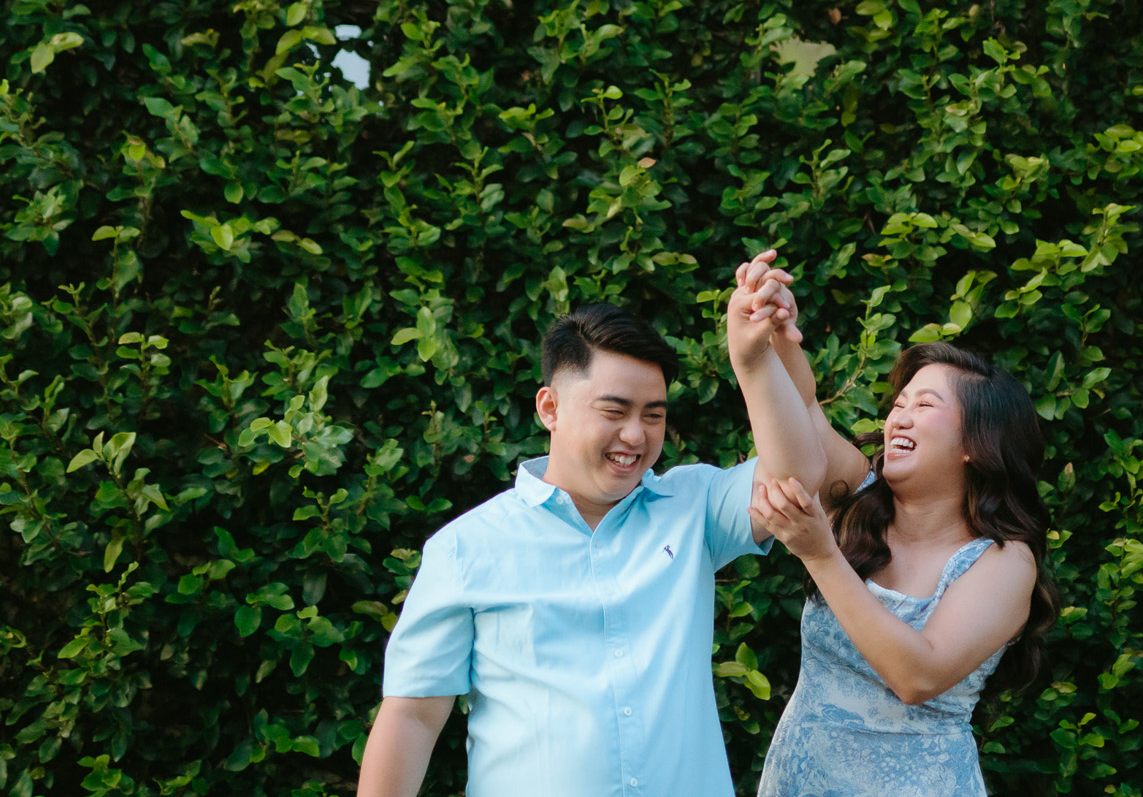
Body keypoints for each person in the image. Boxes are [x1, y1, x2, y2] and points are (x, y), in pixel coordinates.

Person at [353, 271, 826, 797]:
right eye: (614, 410)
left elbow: (799, 479)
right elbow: (412, 717)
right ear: (550, 408)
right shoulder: (466, 549)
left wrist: (753, 360)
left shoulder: (694, 508)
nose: (635, 435)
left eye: (653, 416)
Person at [739, 261, 1060, 797]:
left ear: (975, 445)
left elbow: (918, 676)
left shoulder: (1003, 562)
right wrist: (776, 334)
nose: (898, 418)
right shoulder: (860, 500)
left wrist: (821, 555)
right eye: (899, 403)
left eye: (924, 405)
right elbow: (805, 411)